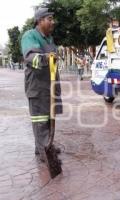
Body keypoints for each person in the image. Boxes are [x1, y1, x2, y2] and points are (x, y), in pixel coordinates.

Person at [21, 7, 62, 162]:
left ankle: (45, 145)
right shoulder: (30, 36)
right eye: (49, 19)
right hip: (37, 87)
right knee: (40, 120)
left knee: (48, 118)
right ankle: (44, 149)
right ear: (39, 21)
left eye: (52, 19)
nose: (53, 22)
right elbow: (31, 56)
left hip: (49, 86)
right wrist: (46, 57)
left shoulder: (49, 39)